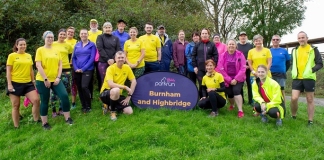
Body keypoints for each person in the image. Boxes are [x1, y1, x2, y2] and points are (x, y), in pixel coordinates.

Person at [35, 31, 73, 130]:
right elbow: (38, 65)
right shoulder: (40, 50)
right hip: (42, 80)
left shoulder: (56, 50)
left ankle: (67, 118)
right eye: (48, 37)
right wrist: (45, 79)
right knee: (45, 100)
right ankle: (45, 123)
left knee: (64, 96)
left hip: (56, 79)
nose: (50, 39)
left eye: (52, 37)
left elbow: (60, 65)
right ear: (44, 38)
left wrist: (58, 77)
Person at [6, 38, 40, 128]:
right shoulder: (12, 56)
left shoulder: (28, 55)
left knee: (36, 100)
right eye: (21, 44)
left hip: (28, 83)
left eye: (24, 44)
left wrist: (33, 81)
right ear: (16, 46)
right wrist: (9, 84)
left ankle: (36, 120)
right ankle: (16, 126)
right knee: (16, 105)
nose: (23, 46)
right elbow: (8, 71)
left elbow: (31, 70)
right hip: (15, 83)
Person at [290, 31, 323, 125]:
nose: (301, 39)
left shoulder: (313, 49)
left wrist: (311, 70)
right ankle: (293, 115)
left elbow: (320, 63)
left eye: (303, 37)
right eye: (299, 38)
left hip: (309, 78)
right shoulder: (294, 50)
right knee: (294, 98)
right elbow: (292, 63)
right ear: (298, 39)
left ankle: (310, 120)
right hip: (297, 78)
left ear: (307, 38)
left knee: (310, 99)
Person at [100, 51, 136, 121]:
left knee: (129, 112)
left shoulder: (127, 67)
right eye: (119, 58)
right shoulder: (110, 68)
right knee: (116, 90)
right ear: (115, 59)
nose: (120, 59)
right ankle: (112, 112)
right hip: (105, 93)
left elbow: (134, 81)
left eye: (122, 57)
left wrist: (129, 97)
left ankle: (108, 106)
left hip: (118, 94)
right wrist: (125, 87)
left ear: (125, 59)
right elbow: (111, 84)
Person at [217, 39, 246, 118]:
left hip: (238, 78)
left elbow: (243, 68)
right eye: (229, 44)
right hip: (227, 78)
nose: (231, 46)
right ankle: (232, 105)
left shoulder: (240, 55)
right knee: (230, 93)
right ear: (227, 46)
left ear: (236, 46)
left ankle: (240, 110)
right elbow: (220, 68)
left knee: (236, 91)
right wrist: (229, 79)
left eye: (233, 44)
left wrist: (236, 79)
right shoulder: (222, 55)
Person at [72, 29, 96, 113]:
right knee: (79, 88)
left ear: (88, 34)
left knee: (84, 86)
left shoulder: (92, 45)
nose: (83, 35)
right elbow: (74, 58)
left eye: (85, 33)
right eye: (82, 33)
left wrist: (83, 69)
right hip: (77, 70)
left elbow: (92, 58)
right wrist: (76, 68)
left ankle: (88, 105)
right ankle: (83, 106)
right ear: (79, 35)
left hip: (88, 69)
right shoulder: (77, 45)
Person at [50, 29, 73, 117]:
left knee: (63, 91)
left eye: (64, 35)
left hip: (66, 69)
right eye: (61, 34)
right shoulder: (53, 44)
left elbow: (70, 56)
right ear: (58, 35)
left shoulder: (68, 45)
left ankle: (61, 109)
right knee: (53, 92)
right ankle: (53, 110)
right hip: (54, 70)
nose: (62, 36)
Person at [191, 28, 218, 98]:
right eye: (203, 33)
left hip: (210, 69)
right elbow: (193, 55)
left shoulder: (212, 44)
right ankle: (202, 99)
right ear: (200, 35)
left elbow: (216, 55)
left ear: (208, 35)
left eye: (206, 33)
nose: (204, 35)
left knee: (210, 85)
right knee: (201, 85)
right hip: (200, 69)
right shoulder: (197, 45)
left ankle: (210, 99)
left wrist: (214, 65)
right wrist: (195, 66)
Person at [96, 22, 121, 88]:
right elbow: (100, 48)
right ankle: (104, 95)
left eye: (109, 27)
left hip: (114, 62)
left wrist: (113, 59)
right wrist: (108, 59)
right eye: (106, 27)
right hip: (103, 62)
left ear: (112, 28)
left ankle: (114, 95)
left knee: (114, 78)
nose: (107, 29)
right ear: (103, 29)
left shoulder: (116, 38)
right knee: (104, 79)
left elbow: (118, 49)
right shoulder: (100, 37)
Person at [270, 35, 291, 102]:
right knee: (271, 90)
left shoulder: (284, 51)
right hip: (270, 74)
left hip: (281, 74)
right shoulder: (268, 51)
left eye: (277, 39)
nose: (275, 41)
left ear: (279, 41)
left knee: (281, 90)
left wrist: (284, 70)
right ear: (272, 41)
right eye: (274, 39)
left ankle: (283, 106)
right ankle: (272, 105)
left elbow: (288, 63)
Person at [237, 31, 254, 105]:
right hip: (240, 69)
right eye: (241, 36)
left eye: (244, 36)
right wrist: (242, 66)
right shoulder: (237, 46)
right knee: (240, 84)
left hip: (249, 68)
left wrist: (248, 66)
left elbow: (252, 57)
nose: (243, 37)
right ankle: (242, 100)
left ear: (246, 37)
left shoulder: (250, 46)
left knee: (249, 85)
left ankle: (251, 100)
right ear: (239, 37)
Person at [65, 26, 78, 109]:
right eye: (69, 32)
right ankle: (64, 102)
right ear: (66, 32)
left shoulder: (76, 42)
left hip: (73, 65)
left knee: (73, 83)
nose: (70, 33)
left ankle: (73, 102)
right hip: (63, 66)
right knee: (64, 85)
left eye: (72, 32)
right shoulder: (61, 41)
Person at [88, 19, 102, 93]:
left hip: (99, 57)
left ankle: (101, 92)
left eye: (95, 23)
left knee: (100, 75)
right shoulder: (87, 33)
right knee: (90, 75)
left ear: (97, 25)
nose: (93, 25)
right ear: (90, 25)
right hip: (89, 57)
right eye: (92, 23)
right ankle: (90, 94)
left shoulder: (101, 32)